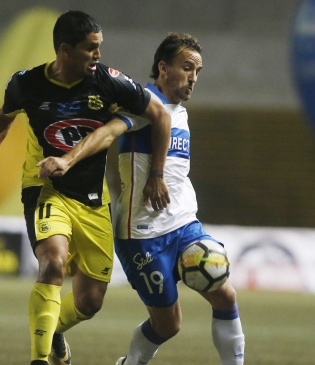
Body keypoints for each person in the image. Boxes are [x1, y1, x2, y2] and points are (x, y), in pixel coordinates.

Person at [0, 11, 171, 365]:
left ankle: (51, 328)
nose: (98, 55)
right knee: (52, 263)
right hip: (44, 188)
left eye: (99, 47)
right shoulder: (26, 84)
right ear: (65, 50)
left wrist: (157, 175)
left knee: (90, 301)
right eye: (90, 48)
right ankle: (41, 359)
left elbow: (160, 115)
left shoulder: (109, 82)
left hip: (93, 198)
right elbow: (3, 118)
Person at [38, 33, 246, 365]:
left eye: (198, 71)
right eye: (186, 68)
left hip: (184, 224)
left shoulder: (180, 112)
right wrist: (67, 160)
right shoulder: (143, 104)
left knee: (224, 293)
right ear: (163, 67)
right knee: (168, 324)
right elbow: (106, 133)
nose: (193, 78)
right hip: (143, 235)